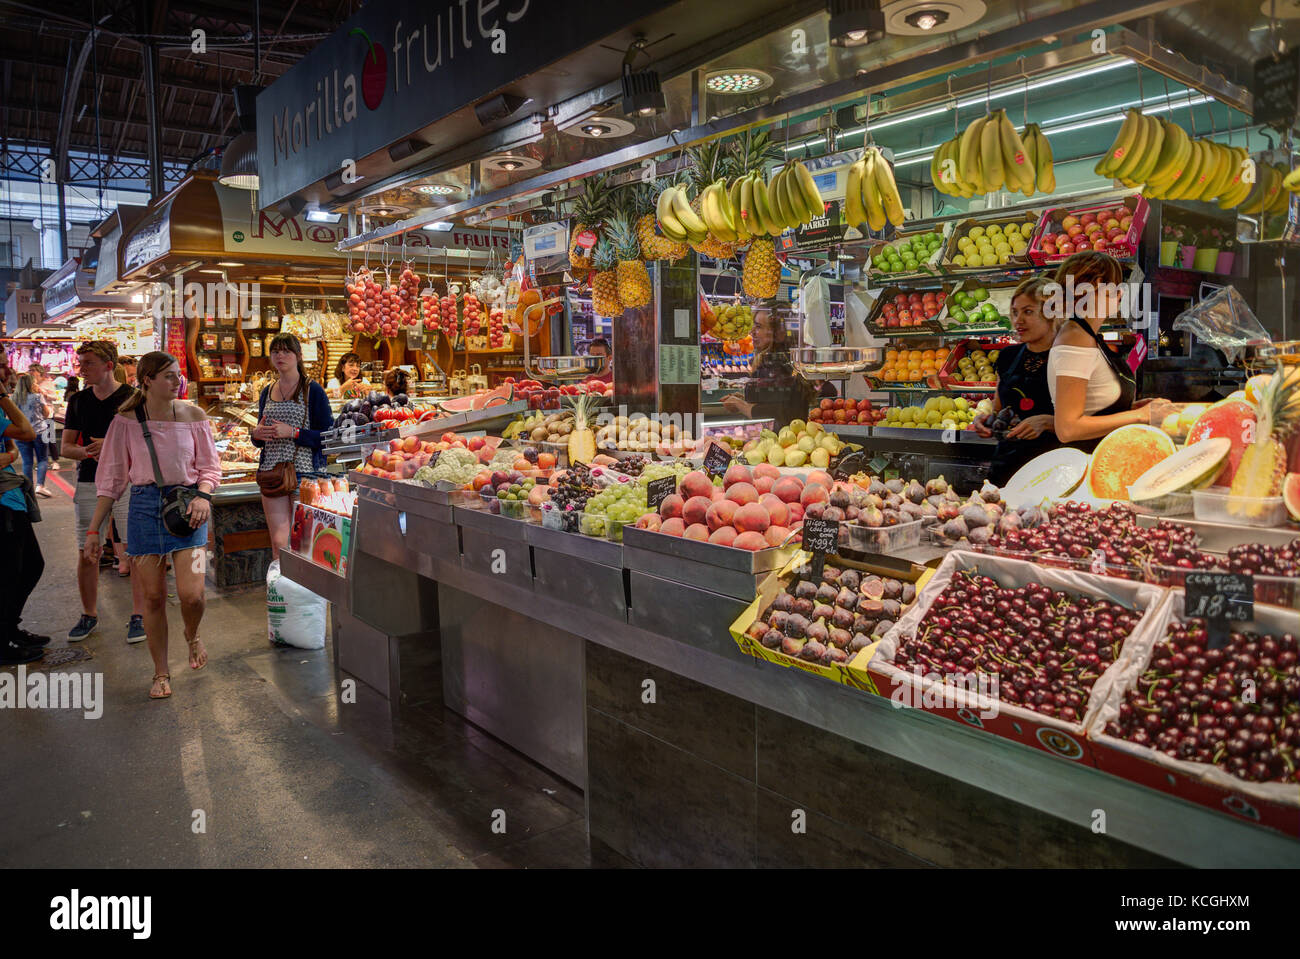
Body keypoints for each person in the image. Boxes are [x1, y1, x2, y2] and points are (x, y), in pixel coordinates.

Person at [84, 352, 219, 700]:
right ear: (147, 380)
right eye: (169, 376)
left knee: (194, 594)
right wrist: (94, 531)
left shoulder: (194, 416)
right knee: (154, 598)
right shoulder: (125, 421)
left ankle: (192, 633)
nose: (177, 382)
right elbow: (111, 480)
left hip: (192, 509)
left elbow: (210, 467)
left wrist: (204, 496)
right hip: (143, 510)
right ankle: (161, 672)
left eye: (178, 375)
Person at [62, 341, 146, 642]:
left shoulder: (133, 398)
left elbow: (146, 444)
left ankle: (139, 614)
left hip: (128, 482)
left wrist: (112, 448)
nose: (81, 369)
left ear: (108, 366)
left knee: (134, 550)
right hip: (90, 480)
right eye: (81, 363)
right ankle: (89, 614)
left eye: (88, 363)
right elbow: (66, 447)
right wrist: (88, 452)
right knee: (87, 550)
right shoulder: (79, 401)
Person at [1047, 251, 1172, 450]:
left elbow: (1092, 406)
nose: (1121, 294)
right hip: (1084, 461)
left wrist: (1129, 409)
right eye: (1117, 286)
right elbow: (1068, 428)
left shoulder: (1087, 335)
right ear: (1098, 284)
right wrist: (1139, 416)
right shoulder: (1075, 339)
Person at [972, 276, 1061, 486]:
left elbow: (1087, 420)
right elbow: (1000, 409)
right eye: (1015, 312)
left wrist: (1047, 422)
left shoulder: (1068, 356)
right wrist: (985, 421)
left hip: (1053, 468)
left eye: (1028, 312)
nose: (1018, 320)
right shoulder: (1008, 356)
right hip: (1007, 467)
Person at [251, 333, 334, 554]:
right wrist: (256, 434)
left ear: (298, 355)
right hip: (272, 473)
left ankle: (303, 588)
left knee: (304, 543)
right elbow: (259, 439)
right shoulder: (267, 392)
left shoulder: (312, 390)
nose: (280, 355)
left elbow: (328, 436)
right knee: (279, 543)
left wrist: (294, 432)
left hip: (305, 473)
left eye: (286, 351)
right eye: (275, 351)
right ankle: (281, 588)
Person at [0, 377, 49, 664]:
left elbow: (13, 448)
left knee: (29, 565)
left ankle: (9, 628)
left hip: (10, 496)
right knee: (11, 571)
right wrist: (3, 397)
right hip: (3, 501)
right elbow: (26, 432)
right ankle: (4, 639)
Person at [720, 307, 816, 425]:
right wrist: (744, 400)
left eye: (759, 326)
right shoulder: (775, 361)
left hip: (784, 438)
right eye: (753, 326)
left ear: (776, 333)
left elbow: (776, 411)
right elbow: (773, 399)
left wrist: (739, 404)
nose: (752, 332)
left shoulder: (779, 364)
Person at [12, 373, 51, 497]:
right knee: (43, 459)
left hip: (22, 434)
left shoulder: (13, 399)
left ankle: (28, 489)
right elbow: (46, 414)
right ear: (30, 384)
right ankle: (40, 486)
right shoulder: (38, 397)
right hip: (40, 431)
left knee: (27, 462)